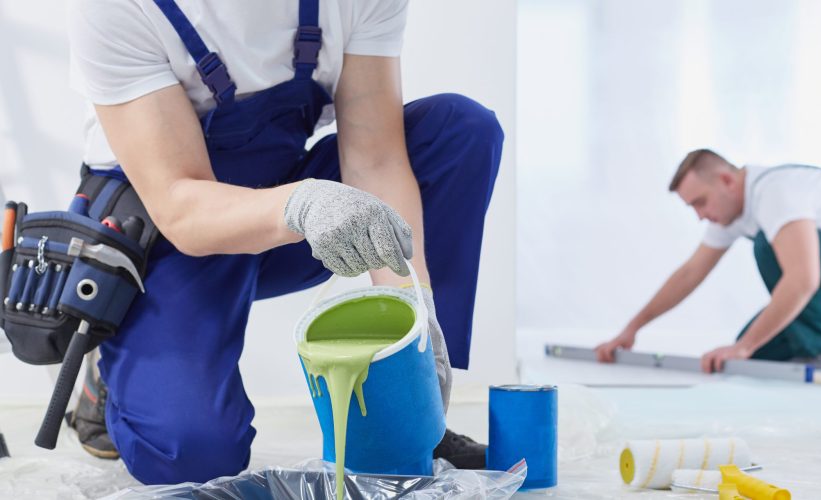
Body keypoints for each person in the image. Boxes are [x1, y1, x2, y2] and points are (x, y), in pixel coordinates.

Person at [64, 0, 503, 484]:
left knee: (458, 133)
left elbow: (376, 159)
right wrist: (301, 207)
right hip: (165, 231)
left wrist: (412, 307)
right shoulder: (119, 8)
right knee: (191, 454)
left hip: (287, 204)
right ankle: (116, 363)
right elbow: (178, 203)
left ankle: (407, 420)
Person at [596, 149, 821, 373]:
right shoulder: (731, 212)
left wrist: (743, 347)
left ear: (727, 180)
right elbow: (689, 273)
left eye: (700, 202)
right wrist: (632, 329)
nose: (700, 216)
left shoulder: (775, 193)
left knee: (767, 246)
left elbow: (803, 280)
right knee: (756, 354)